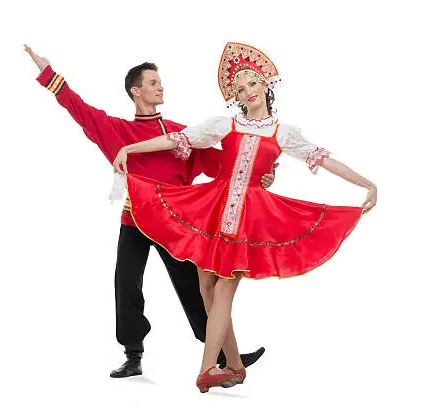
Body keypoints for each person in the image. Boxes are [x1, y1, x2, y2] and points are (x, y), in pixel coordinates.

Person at [112, 42, 378, 392]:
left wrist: (366, 183)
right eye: (239, 88)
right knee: (206, 287)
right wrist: (129, 148)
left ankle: (208, 367)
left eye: (252, 83)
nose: (247, 91)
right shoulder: (225, 124)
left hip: (249, 216)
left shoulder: (283, 133)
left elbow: (324, 159)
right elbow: (176, 139)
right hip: (215, 209)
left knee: (223, 288)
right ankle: (234, 365)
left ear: (266, 85)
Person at [24, 45, 271, 378]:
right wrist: (49, 74)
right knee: (126, 284)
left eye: (161, 82)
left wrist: (259, 174)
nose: (161, 87)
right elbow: (79, 109)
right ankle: (133, 354)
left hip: (177, 224)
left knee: (197, 289)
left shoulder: (178, 133)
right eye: (154, 82)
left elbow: (220, 162)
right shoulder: (117, 132)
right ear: (135, 91)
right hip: (135, 219)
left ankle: (227, 357)